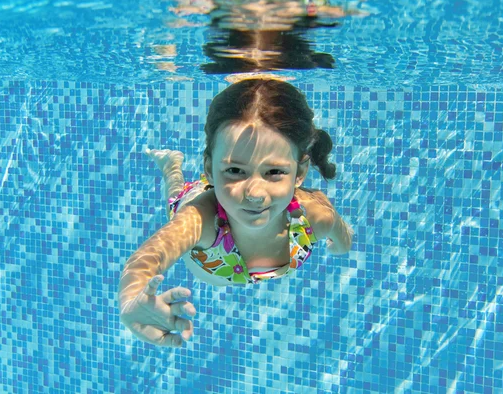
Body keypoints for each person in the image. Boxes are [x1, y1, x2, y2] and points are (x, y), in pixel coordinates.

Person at [118, 78, 353, 347]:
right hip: (202, 200)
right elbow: (152, 254)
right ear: (209, 168)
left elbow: (340, 230)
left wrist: (342, 245)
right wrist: (131, 297)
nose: (254, 193)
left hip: (225, 206)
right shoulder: (200, 221)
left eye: (274, 172)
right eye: (235, 170)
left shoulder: (313, 218)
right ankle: (172, 166)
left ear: (299, 173)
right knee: (175, 197)